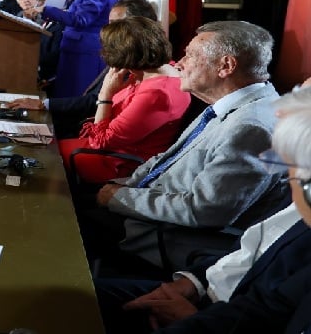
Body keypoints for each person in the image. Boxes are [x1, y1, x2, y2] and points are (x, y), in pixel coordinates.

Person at [95, 89, 311, 333]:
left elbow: (272, 308)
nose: (181, 63)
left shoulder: (253, 125)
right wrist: (193, 282)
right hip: (203, 288)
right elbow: (249, 248)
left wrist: (197, 320)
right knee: (79, 296)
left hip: (211, 304)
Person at [87, 21, 287, 271]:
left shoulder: (252, 127)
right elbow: (166, 160)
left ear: (225, 66)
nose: (179, 63)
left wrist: (121, 197)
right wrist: (123, 186)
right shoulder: (231, 105)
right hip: (147, 206)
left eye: (191, 55)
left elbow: (205, 211)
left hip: (165, 235)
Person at [58, 17, 192, 183]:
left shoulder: (157, 94)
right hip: (108, 148)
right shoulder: (156, 70)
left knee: (48, 157)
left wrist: (105, 95)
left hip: (119, 163)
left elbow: (101, 142)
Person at [7, 0, 159, 139]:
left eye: (115, 23)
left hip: (90, 134)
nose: (107, 30)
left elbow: (94, 102)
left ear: (138, 26)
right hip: (82, 125)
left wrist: (44, 104)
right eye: (108, 23)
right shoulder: (124, 55)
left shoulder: (136, 64)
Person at [30, 0, 121, 97]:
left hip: (85, 53)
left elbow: (82, 19)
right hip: (78, 50)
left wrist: (46, 10)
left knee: (75, 98)